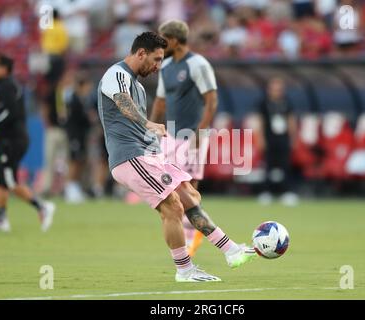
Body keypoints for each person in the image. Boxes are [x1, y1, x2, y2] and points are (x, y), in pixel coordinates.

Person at [97, 32, 255, 282]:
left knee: (190, 197)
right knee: (172, 206)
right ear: (141, 53)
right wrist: (149, 123)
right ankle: (185, 270)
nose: (159, 66)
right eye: (157, 59)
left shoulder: (136, 84)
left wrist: (157, 142)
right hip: (130, 157)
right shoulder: (116, 75)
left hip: (149, 154)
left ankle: (231, 251)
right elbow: (122, 103)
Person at [150, 20, 218, 257]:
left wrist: (201, 132)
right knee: (169, 188)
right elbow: (160, 101)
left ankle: (191, 236)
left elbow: (211, 100)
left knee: (189, 188)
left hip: (192, 134)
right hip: (169, 135)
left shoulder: (198, 65)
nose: (159, 44)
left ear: (175, 41)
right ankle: (184, 233)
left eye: (163, 39)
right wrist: (149, 131)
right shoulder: (166, 66)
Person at [0, 54, 55, 233]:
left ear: (4, 69)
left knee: (9, 180)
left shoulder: (8, 86)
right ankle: (1, 219)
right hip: (7, 140)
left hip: (13, 141)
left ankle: (42, 206)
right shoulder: (5, 87)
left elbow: (11, 112)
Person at [257, 77, 299, 206]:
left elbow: (291, 121)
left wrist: (293, 138)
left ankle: (287, 192)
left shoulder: (287, 102)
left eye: (279, 89)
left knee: (285, 165)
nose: (276, 92)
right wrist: (260, 139)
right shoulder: (263, 103)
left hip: (283, 139)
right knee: (268, 166)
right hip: (269, 138)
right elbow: (260, 122)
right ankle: (266, 192)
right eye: (274, 89)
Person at [64, 73, 93, 203]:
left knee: (80, 161)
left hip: (81, 136)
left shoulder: (80, 99)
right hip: (75, 136)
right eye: (87, 87)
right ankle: (69, 189)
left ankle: (75, 188)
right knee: (74, 162)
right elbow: (75, 120)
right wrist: (89, 119)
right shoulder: (74, 100)